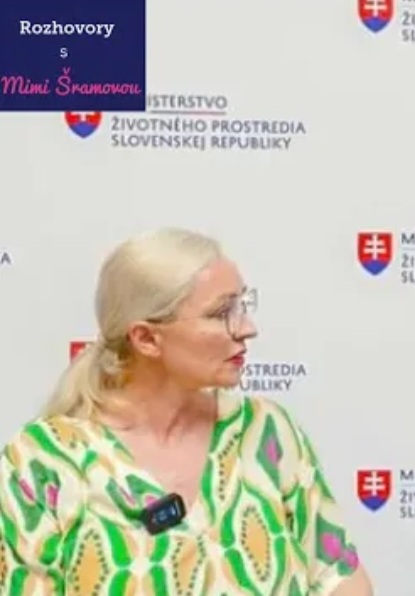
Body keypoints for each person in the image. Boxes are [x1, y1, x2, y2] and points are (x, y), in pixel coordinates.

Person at [0, 228, 374, 595]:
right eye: (221, 313)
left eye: (242, 306)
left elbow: (339, 577)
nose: (247, 329)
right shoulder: (42, 463)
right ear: (146, 338)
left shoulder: (266, 432)